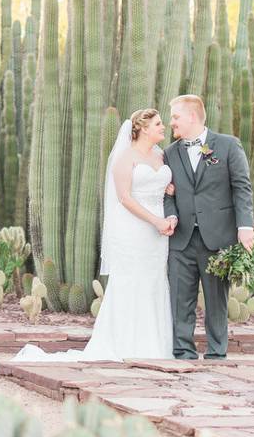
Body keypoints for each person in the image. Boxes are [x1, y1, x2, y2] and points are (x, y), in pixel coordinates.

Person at [12, 108, 174, 362]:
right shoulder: (125, 157)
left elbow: (166, 188)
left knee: (153, 280)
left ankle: (154, 346)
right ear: (143, 128)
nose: (163, 127)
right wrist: (154, 220)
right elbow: (124, 198)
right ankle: (126, 345)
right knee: (130, 281)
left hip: (159, 232)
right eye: (158, 124)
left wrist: (168, 210)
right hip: (134, 229)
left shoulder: (161, 155)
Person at [163, 94, 254, 360]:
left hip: (217, 237)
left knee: (216, 301)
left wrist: (245, 226)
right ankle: (182, 352)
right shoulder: (170, 153)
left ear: (192, 116)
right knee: (181, 300)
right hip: (181, 239)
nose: (172, 123)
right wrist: (172, 216)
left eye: (176, 117)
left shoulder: (227, 146)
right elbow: (167, 195)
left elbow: (241, 188)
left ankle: (217, 353)